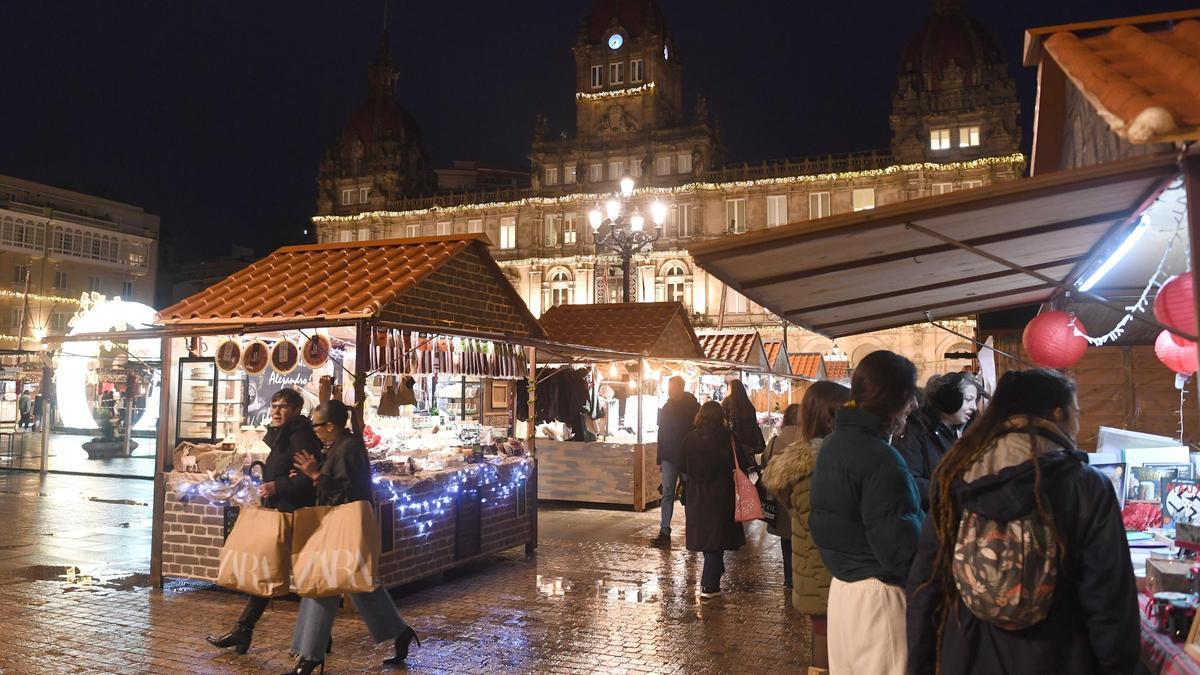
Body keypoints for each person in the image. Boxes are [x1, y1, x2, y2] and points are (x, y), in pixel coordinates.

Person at [906, 369, 1138, 674]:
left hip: (967, 655)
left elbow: (926, 584)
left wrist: (920, 665)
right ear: (1058, 414)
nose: (1077, 423)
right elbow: (1108, 600)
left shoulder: (954, 475)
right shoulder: (1086, 485)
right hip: (1059, 657)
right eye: (1076, 413)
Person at [809, 350, 922, 675]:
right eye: (910, 395)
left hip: (844, 592)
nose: (914, 406)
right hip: (879, 598)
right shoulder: (880, 457)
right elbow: (900, 550)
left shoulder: (834, 444)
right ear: (894, 400)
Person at [287, 400, 420, 674]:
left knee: (321, 584)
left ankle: (309, 655)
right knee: (359, 585)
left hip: (343, 524)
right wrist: (312, 473)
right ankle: (399, 632)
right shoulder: (340, 446)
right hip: (339, 524)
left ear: (331, 425)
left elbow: (347, 493)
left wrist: (315, 475)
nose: (315, 431)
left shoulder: (348, 448)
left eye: (317, 425)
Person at [206, 388, 323, 655]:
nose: (276, 411)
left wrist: (276, 485)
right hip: (283, 510)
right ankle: (244, 629)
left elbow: (308, 476)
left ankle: (316, 637)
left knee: (308, 574)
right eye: (273, 406)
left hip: (294, 512)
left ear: (296, 410)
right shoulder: (284, 434)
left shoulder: (300, 435)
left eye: (283, 407)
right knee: (276, 569)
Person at [762, 382, 851, 670]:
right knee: (829, 651)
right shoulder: (819, 467)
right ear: (832, 416)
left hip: (819, 578)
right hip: (828, 577)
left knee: (826, 645)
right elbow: (827, 527)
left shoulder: (812, 462)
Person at [680, 400, 754, 599]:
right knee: (716, 536)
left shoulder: (690, 438)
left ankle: (714, 571)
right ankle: (709, 585)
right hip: (720, 493)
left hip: (696, 493)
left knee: (707, 535)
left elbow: (682, 466)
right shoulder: (728, 438)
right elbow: (742, 462)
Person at [894, 372, 980, 509]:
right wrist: (953, 490)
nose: (974, 407)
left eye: (975, 401)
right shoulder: (917, 431)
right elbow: (909, 480)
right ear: (949, 399)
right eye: (969, 399)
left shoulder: (965, 431)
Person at [759, 403, 804, 587]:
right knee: (803, 539)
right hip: (803, 497)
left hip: (780, 497)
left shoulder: (775, 441)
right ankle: (801, 576)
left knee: (786, 540)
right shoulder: (809, 440)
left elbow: (764, 462)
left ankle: (789, 578)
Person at [652, 375, 700, 545]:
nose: (670, 391)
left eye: (673, 388)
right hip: (668, 457)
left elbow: (697, 433)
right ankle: (665, 530)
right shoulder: (666, 408)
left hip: (687, 458)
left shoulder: (693, 407)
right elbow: (661, 433)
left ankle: (693, 530)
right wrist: (660, 457)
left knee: (688, 494)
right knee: (667, 493)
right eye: (669, 388)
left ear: (681, 388)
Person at [722, 379, 764, 460]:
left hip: (733, 442)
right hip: (748, 443)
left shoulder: (727, 402)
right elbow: (753, 425)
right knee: (746, 466)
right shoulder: (748, 404)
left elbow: (725, 421)